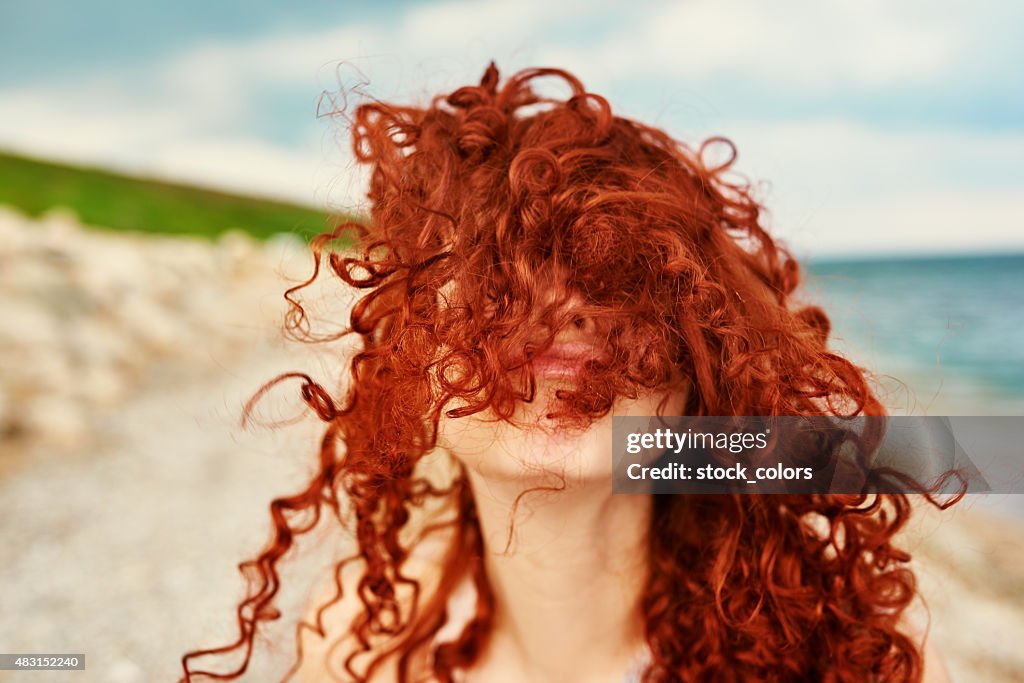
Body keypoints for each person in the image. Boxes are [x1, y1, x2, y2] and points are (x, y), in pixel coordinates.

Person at [181, 64, 953, 682]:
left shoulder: (859, 661)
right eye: (495, 272)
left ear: (706, 357)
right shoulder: (356, 647)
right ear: (408, 360)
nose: (557, 306)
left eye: (613, 267)